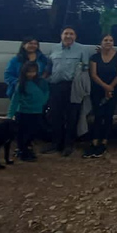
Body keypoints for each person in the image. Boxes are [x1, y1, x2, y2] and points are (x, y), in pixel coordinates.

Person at [42, 26, 89, 157]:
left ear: (75, 36)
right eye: (66, 33)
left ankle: (69, 144)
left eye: (71, 34)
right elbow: (49, 66)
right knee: (55, 115)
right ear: (61, 35)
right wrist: (44, 79)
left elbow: (85, 68)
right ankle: (56, 143)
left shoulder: (82, 49)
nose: (68, 36)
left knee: (72, 116)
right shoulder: (54, 49)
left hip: (73, 86)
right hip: (56, 86)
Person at [83, 34, 117, 158]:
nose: (108, 42)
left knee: (108, 115)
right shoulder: (94, 57)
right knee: (97, 115)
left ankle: (104, 142)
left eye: (111, 40)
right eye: (105, 40)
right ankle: (94, 142)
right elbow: (93, 75)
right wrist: (105, 87)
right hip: (98, 89)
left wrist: (110, 87)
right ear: (101, 42)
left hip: (114, 90)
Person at [7, 61, 49, 162]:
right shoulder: (20, 84)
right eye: (28, 72)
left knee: (32, 132)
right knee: (22, 133)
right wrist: (10, 115)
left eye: (33, 71)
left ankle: (28, 150)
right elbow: (15, 100)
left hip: (36, 112)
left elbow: (46, 93)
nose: (31, 74)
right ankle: (23, 152)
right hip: (23, 112)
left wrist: (41, 104)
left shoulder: (41, 82)